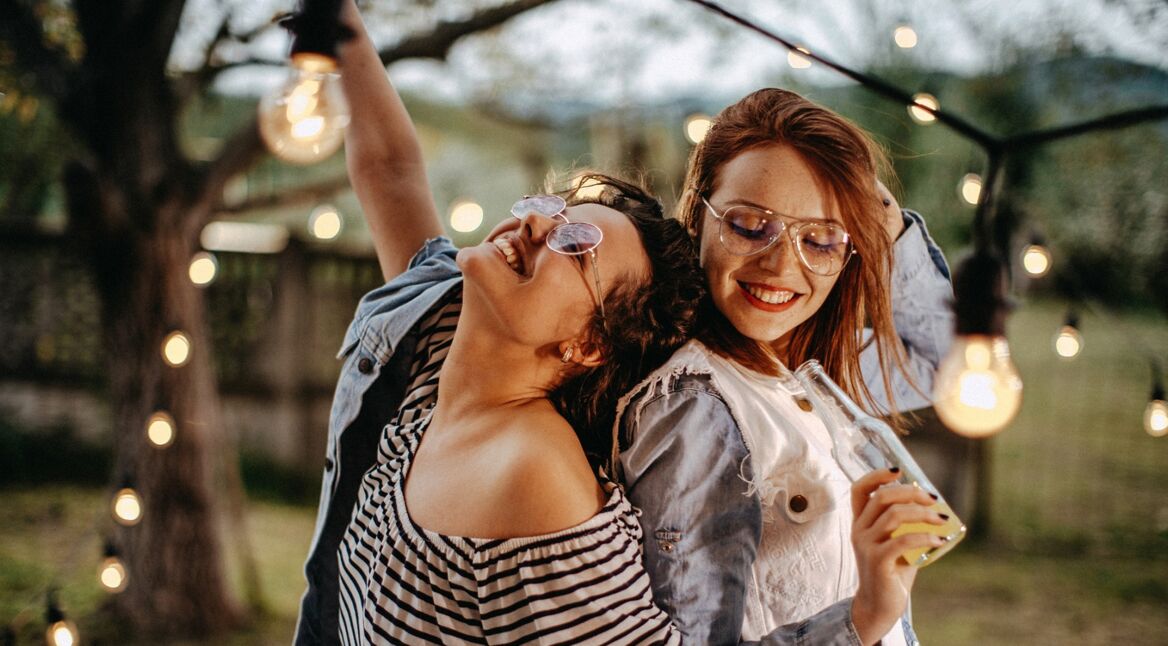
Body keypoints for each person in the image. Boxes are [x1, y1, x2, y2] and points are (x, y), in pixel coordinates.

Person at [296, 2, 709, 643]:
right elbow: (389, 169)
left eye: (576, 245)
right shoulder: (431, 334)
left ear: (590, 343)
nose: (539, 225)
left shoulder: (536, 480)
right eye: (556, 210)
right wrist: (332, 17)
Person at [615, 88, 956, 646]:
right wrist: (865, 616)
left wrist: (888, 227)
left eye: (819, 238)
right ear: (699, 217)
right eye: (750, 225)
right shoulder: (694, 408)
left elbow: (941, 364)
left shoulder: (812, 369)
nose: (780, 265)